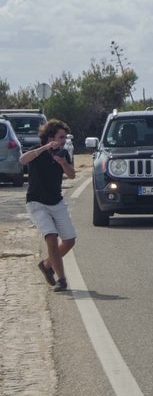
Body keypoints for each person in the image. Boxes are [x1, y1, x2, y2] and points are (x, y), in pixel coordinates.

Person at [19, 120, 76, 292]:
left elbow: (72, 175)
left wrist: (63, 163)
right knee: (51, 238)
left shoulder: (64, 153)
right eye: (61, 137)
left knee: (69, 241)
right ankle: (62, 280)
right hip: (37, 202)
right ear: (50, 137)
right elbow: (23, 160)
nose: (64, 140)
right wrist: (45, 148)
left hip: (56, 201)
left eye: (65, 137)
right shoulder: (37, 151)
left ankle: (46, 264)